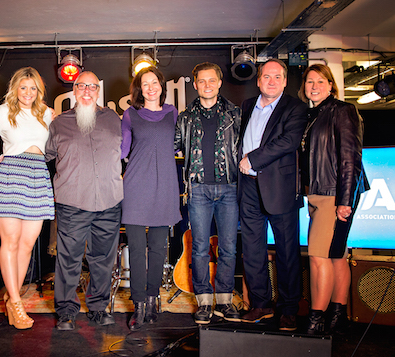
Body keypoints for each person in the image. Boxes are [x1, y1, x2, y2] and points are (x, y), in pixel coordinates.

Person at [45, 71, 123, 331]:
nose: (87, 90)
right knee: (69, 259)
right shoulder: (58, 123)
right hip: (72, 203)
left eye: (92, 86)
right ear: (74, 90)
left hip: (109, 201)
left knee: (103, 259)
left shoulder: (114, 119)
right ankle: (66, 312)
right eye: (81, 86)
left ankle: (98, 308)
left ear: (98, 90)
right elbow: (44, 155)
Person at [298, 64, 369, 335]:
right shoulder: (310, 115)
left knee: (318, 257)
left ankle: (316, 321)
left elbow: (351, 158)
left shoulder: (342, 111)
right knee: (336, 255)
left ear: (331, 85)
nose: (314, 86)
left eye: (320, 81)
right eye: (309, 82)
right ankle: (338, 318)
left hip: (334, 194)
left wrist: (345, 199)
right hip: (317, 193)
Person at [238, 59, 307, 331]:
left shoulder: (296, 108)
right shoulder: (247, 106)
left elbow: (288, 142)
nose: (272, 81)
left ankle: (289, 309)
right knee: (252, 250)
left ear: (285, 81)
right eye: (267, 76)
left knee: (287, 251)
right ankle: (261, 304)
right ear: (258, 80)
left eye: (277, 76)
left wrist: (252, 160)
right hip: (249, 187)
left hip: (280, 187)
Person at [174, 62, 241, 325]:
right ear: (195, 84)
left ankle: (224, 300)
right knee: (199, 248)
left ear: (220, 82)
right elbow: (173, 146)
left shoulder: (235, 115)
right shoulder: (185, 116)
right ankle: (203, 301)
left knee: (228, 248)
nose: (207, 85)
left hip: (229, 187)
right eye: (202, 81)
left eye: (212, 80)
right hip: (198, 188)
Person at [0, 67, 55, 329]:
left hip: (38, 174)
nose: (28, 93)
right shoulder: (2, 112)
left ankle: (11, 298)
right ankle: (17, 303)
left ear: (38, 90)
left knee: (27, 244)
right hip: (11, 173)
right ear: (15, 88)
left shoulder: (47, 113)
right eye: (23, 87)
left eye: (33, 88)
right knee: (11, 241)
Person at [121, 67, 181, 330]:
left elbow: (181, 145)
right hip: (135, 187)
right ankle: (139, 304)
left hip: (165, 186)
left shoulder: (172, 113)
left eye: (154, 82)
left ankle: (153, 299)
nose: (150, 87)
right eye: (145, 84)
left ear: (161, 85)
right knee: (136, 249)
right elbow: (121, 149)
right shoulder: (130, 114)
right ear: (139, 89)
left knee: (158, 248)